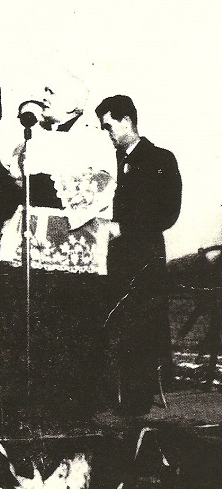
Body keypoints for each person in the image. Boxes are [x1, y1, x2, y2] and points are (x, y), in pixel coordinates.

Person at [0, 67, 119, 489]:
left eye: (53, 92)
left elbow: (84, 193)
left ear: (76, 103)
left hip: (70, 273)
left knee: (62, 366)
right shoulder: (35, 136)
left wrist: (31, 180)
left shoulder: (94, 141)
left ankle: (64, 479)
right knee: (18, 357)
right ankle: (18, 470)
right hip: (22, 265)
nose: (44, 96)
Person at [95, 94, 182, 416]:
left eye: (109, 126)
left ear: (126, 121)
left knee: (141, 331)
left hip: (144, 259)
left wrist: (124, 227)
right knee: (111, 327)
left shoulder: (161, 159)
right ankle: (111, 397)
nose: (107, 134)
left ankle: (136, 404)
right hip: (112, 260)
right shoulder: (110, 164)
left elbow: (168, 213)